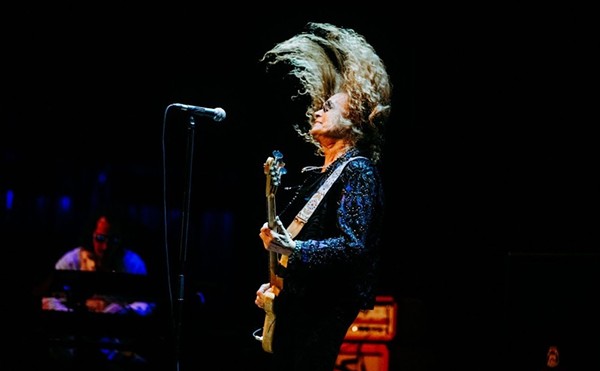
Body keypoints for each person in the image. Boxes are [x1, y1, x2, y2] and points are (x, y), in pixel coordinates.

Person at [254, 22, 392, 371]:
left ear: (354, 118)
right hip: (301, 302)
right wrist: (279, 288)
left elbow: (352, 246)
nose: (317, 111)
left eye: (329, 107)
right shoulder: (319, 175)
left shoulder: (357, 170)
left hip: (325, 306)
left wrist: (294, 249)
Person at [41, 213, 154, 366]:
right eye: (100, 239)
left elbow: (147, 302)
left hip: (115, 338)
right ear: (91, 235)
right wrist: (74, 318)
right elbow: (48, 297)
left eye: (113, 240)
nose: (106, 247)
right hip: (75, 338)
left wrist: (125, 312)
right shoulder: (71, 260)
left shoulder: (133, 263)